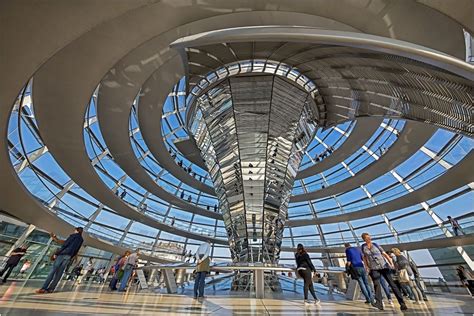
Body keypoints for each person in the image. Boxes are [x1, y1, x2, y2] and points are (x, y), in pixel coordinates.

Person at [361, 233, 407, 311]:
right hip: (374, 268)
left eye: (369, 237)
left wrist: (391, 263)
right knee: (376, 284)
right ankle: (379, 304)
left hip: (384, 266)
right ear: (364, 239)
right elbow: (364, 257)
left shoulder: (376, 245)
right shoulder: (363, 247)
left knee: (392, 284)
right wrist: (366, 267)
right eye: (366, 238)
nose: (369, 239)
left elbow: (384, 254)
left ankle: (402, 303)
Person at [36, 227, 84, 294]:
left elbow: (65, 245)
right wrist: (71, 256)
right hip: (68, 256)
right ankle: (51, 289)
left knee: (53, 271)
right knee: (59, 273)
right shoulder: (81, 239)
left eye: (75, 230)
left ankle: (43, 288)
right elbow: (76, 250)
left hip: (62, 254)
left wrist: (57, 253)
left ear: (76, 230)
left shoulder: (72, 236)